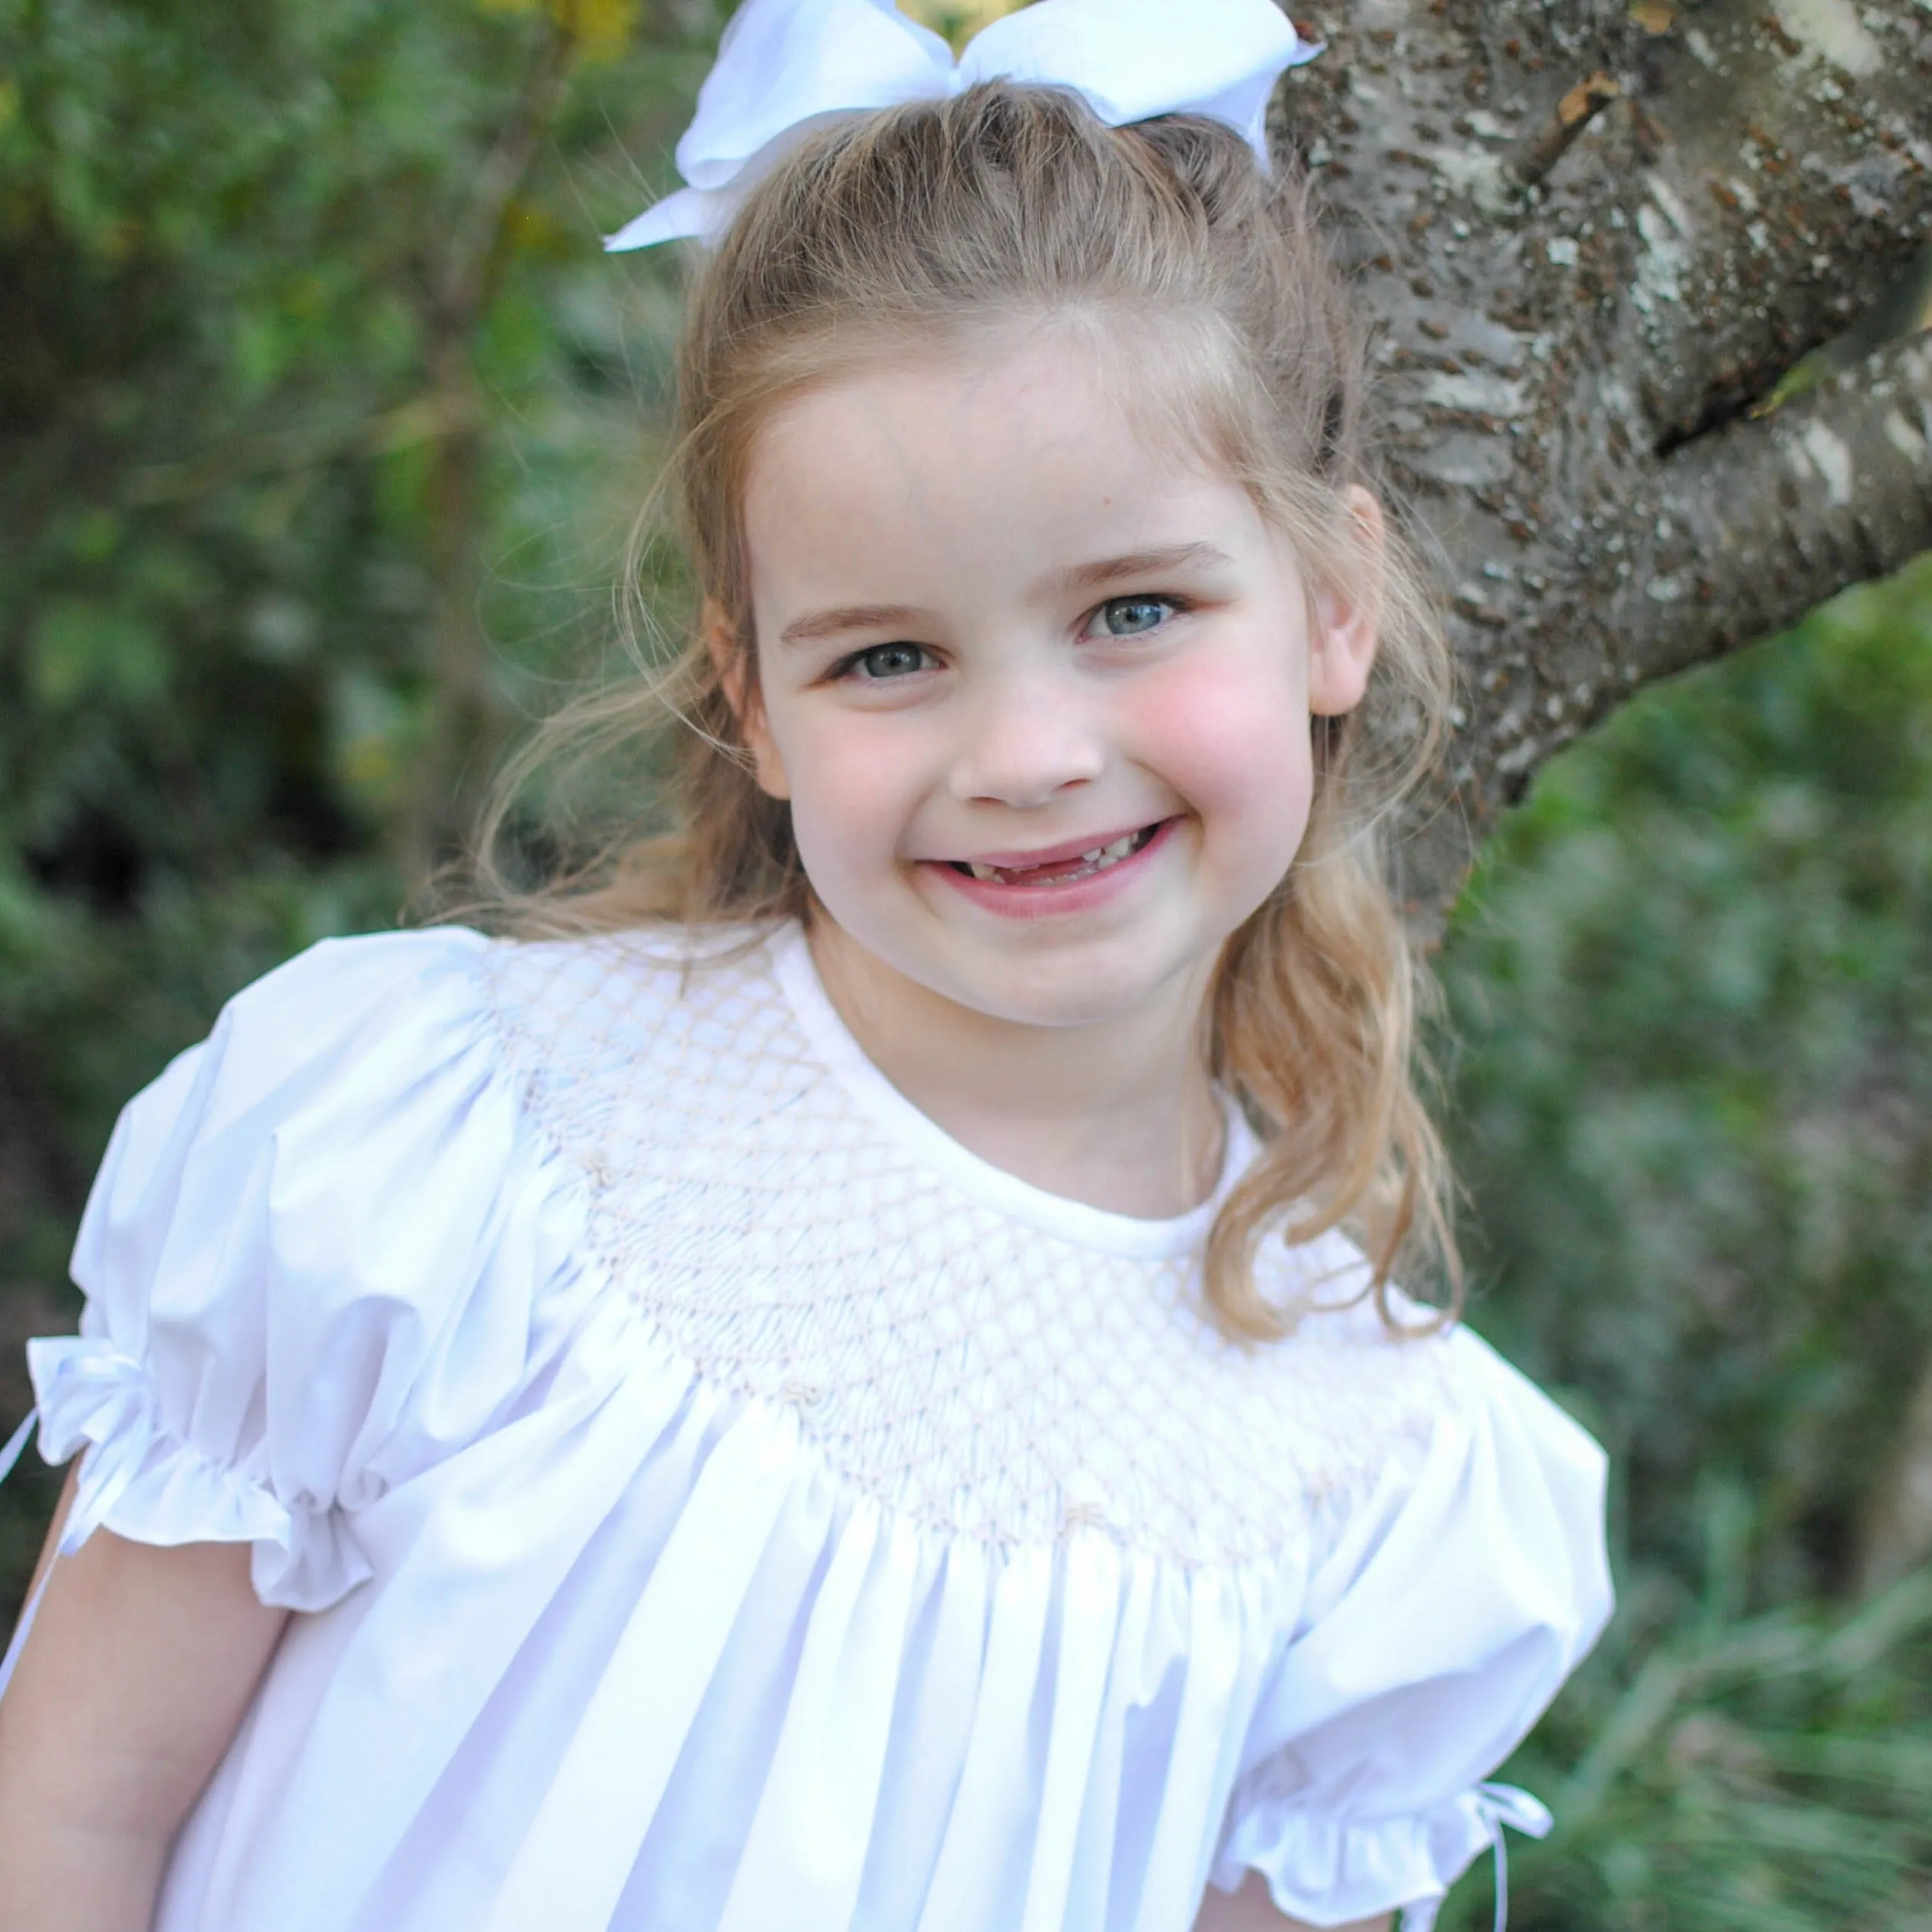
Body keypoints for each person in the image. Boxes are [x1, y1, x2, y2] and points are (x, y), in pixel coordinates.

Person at [0, 2, 1613, 1927]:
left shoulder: (1378, 1487)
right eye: (887, 656)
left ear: (1335, 604)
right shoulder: (453, 1161)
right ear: (749, 696)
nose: (1025, 754)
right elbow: (66, 1813)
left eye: (1133, 608)